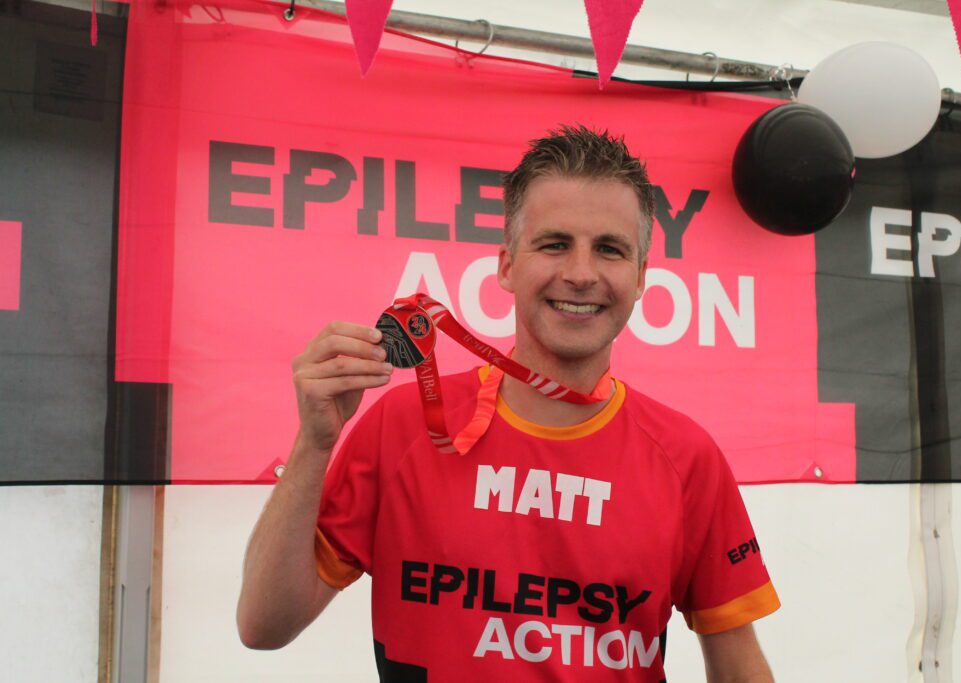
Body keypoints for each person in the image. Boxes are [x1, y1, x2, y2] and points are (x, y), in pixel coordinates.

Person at [237, 125, 780, 681]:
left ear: (640, 278)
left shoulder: (686, 457)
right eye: (554, 243)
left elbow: (737, 667)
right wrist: (313, 443)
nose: (580, 273)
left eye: (610, 250)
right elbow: (263, 625)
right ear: (505, 266)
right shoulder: (403, 426)